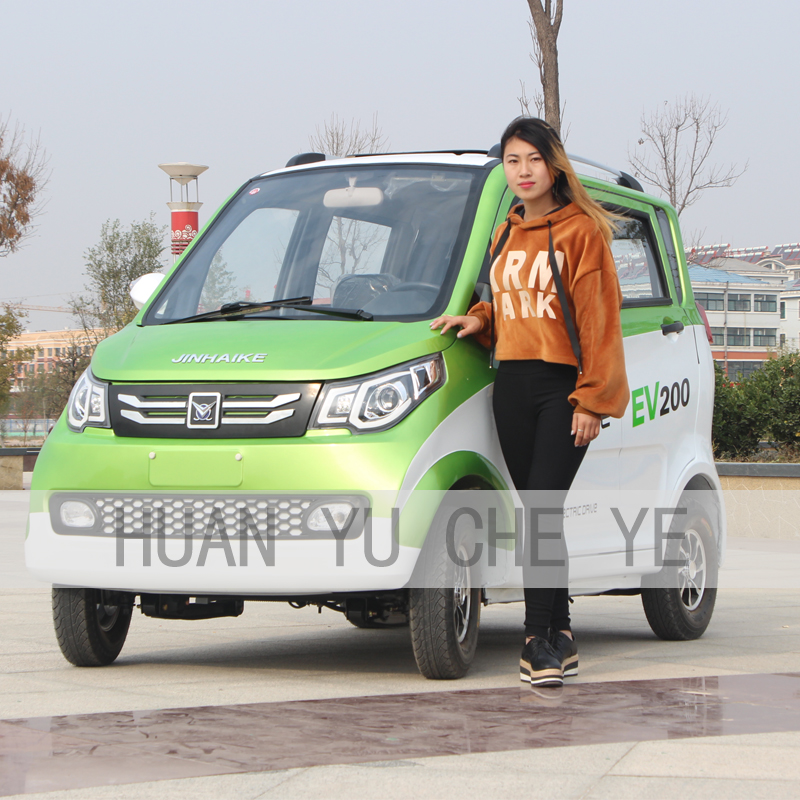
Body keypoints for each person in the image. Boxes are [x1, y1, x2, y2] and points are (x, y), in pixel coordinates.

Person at [431, 117, 629, 687]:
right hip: (512, 387)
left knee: (540, 512)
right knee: (540, 514)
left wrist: (591, 401)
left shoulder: (582, 232)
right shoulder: (504, 234)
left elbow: (599, 323)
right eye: (512, 161)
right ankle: (561, 632)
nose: (522, 171)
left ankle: (534, 641)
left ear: (553, 165)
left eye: (533, 160)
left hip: (562, 390)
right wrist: (480, 319)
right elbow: (507, 302)